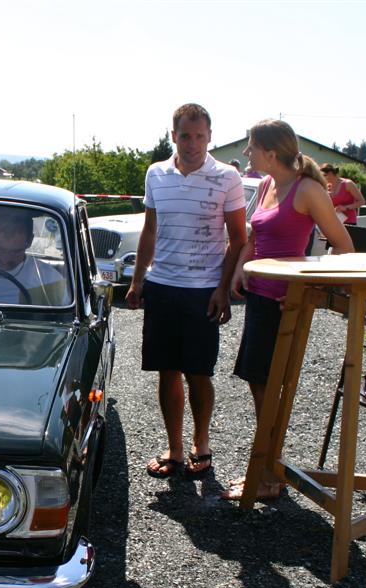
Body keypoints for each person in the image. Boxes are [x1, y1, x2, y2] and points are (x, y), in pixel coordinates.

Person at [221, 120, 355, 501]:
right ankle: (267, 469)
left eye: (251, 147)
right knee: (257, 381)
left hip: (286, 302)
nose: (247, 154)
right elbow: (255, 235)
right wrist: (238, 270)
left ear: (271, 152)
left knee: (272, 385)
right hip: (259, 296)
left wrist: (311, 288)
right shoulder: (266, 185)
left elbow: (344, 248)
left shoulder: (308, 189)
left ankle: (267, 476)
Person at [125, 103, 248, 479]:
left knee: (199, 372)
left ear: (210, 137)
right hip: (162, 286)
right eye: (185, 135)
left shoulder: (227, 177)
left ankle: (202, 443)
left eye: (199, 136)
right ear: (173, 135)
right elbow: (150, 230)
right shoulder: (156, 174)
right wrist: (138, 279)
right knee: (167, 372)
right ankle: (174, 448)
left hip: (202, 290)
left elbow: (239, 238)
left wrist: (222, 289)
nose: (192, 143)